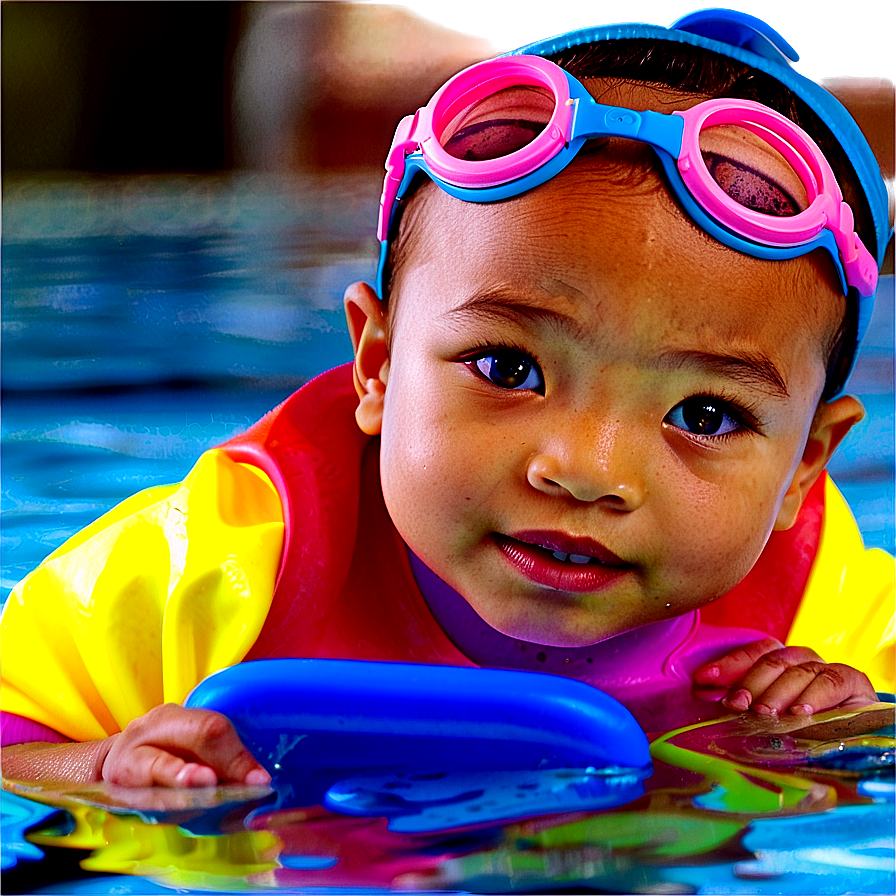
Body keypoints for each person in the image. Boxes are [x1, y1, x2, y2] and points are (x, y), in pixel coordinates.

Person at [2, 7, 893, 788]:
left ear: (806, 464)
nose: (586, 471)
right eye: (509, 368)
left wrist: (851, 737)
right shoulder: (215, 569)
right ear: (376, 365)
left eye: (705, 416)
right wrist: (99, 771)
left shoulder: (827, 609)